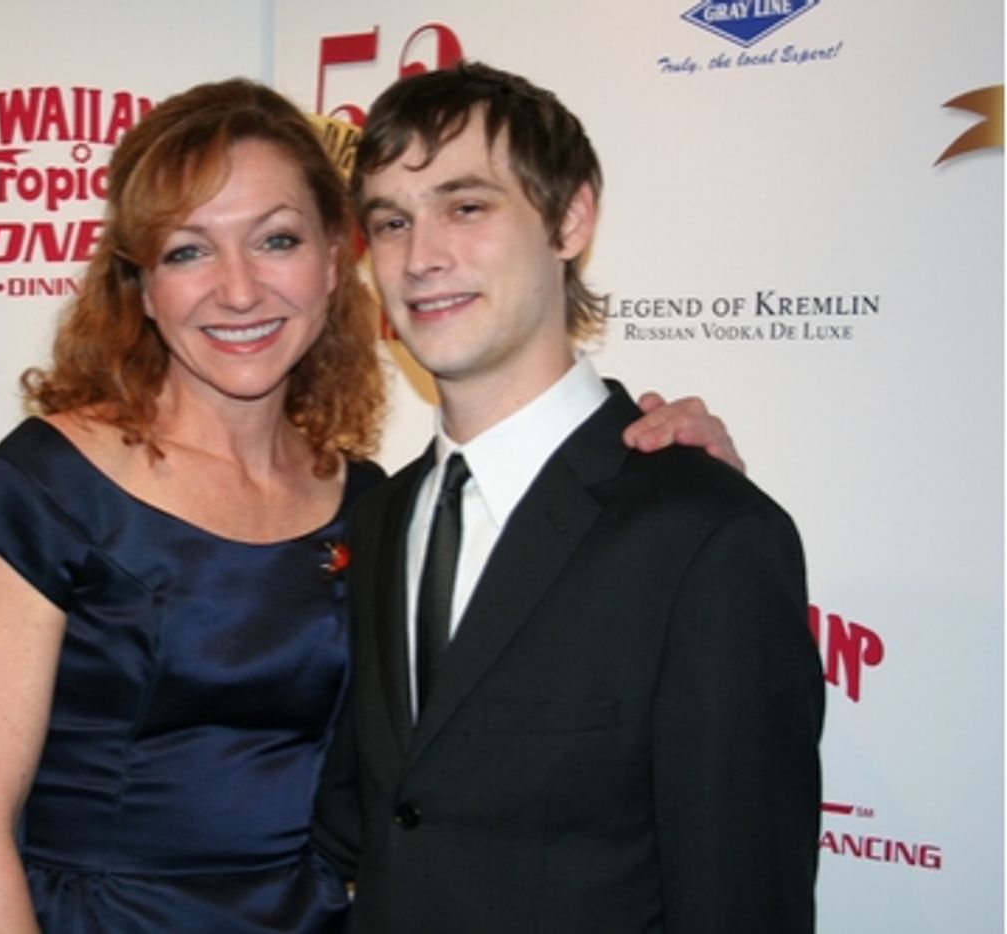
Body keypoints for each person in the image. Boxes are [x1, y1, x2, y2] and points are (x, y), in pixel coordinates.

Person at [0, 77, 745, 933]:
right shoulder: (54, 485)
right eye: (187, 251)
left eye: (275, 240)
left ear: (333, 261)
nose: (237, 290)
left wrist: (665, 479)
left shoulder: (376, 505)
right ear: (139, 284)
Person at [311, 62, 824, 932]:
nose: (421, 257)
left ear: (570, 219)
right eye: (392, 221)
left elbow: (741, 900)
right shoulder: (381, 518)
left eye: (466, 207)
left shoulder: (706, 536)